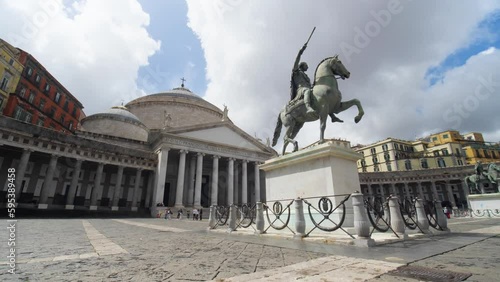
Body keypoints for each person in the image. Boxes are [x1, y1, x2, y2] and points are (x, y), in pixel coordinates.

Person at [289, 44, 343, 122]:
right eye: (306, 65)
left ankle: (332, 116)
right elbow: (296, 60)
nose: (307, 67)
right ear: (302, 66)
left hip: (308, 88)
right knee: (307, 90)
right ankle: (308, 108)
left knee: (323, 98)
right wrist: (300, 52)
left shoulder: (306, 76)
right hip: (301, 90)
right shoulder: (296, 72)